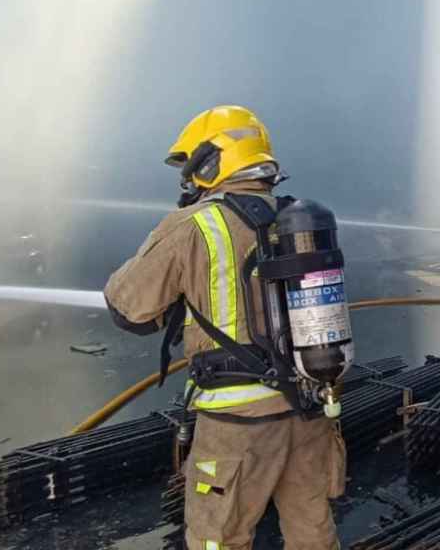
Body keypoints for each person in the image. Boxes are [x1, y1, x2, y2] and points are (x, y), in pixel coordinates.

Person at [104, 105, 344, 550]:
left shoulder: (195, 224)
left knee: (219, 539)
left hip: (237, 423)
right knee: (313, 534)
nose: (189, 181)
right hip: (310, 407)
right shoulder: (297, 219)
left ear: (212, 161)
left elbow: (129, 309)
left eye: (192, 169)